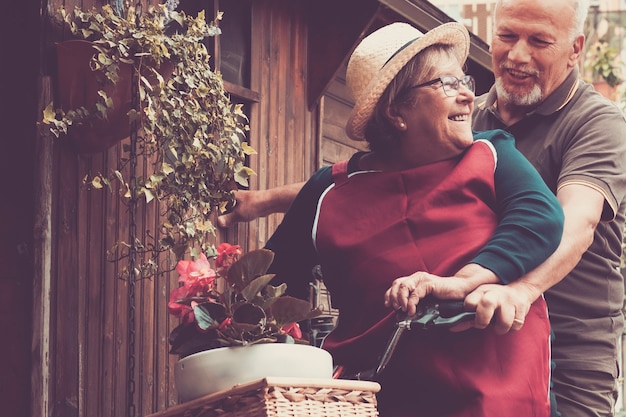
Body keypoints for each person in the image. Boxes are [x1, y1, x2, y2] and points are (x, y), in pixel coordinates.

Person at [218, 1, 626, 415]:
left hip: (561, 345)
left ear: (575, 49)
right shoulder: (468, 120)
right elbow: (359, 182)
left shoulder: (581, 127)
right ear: (396, 113)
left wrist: (508, 288)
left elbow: (572, 221)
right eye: (506, 36)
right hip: (409, 378)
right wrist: (259, 202)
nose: (517, 54)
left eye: (539, 41)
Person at [262, 21, 563, 417]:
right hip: (381, 397)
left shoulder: (492, 154)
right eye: (445, 84)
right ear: (396, 111)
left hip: (503, 390)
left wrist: (462, 282)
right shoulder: (327, 192)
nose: (468, 95)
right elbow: (272, 286)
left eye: (465, 81)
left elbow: (540, 217)